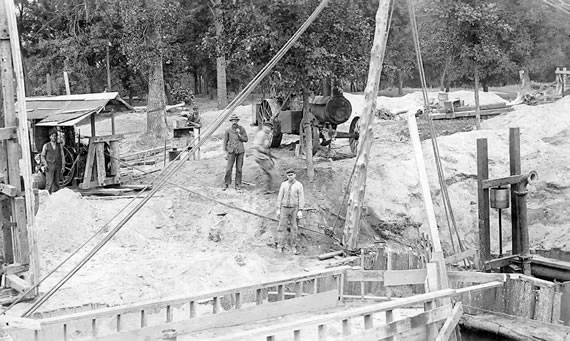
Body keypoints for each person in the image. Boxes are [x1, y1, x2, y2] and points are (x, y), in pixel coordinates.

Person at [276, 168, 305, 253]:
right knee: (281, 227)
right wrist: (278, 208)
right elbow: (280, 197)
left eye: (292, 175)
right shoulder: (283, 184)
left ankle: (293, 246)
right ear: (287, 176)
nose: (290, 177)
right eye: (288, 175)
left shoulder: (299, 185)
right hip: (284, 208)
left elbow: (301, 198)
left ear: (295, 175)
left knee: (294, 228)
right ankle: (280, 246)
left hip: (294, 209)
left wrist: (300, 210)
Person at [222, 113, 248, 191]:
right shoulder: (228, 130)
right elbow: (225, 142)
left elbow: (246, 139)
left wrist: (239, 135)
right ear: (231, 121)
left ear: (237, 121)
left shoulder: (242, 129)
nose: (234, 122)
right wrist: (225, 152)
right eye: (233, 120)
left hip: (240, 151)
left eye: (236, 120)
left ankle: (238, 184)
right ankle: (226, 183)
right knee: (228, 169)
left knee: (239, 169)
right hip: (231, 151)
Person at [253, 121, 277, 194]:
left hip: (264, 156)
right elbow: (256, 146)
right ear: (264, 127)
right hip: (260, 156)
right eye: (267, 127)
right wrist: (265, 152)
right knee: (270, 171)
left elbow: (267, 146)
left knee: (267, 172)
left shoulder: (268, 135)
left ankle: (267, 188)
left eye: (270, 128)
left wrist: (270, 156)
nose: (268, 129)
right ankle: (268, 188)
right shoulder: (261, 134)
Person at [41, 128, 65, 194]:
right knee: (49, 183)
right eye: (52, 136)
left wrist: (63, 166)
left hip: (58, 166)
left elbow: (62, 156)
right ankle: (47, 196)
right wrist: (45, 164)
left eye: (55, 136)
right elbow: (42, 156)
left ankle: (55, 197)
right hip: (49, 166)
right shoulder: (46, 146)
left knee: (57, 183)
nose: (54, 137)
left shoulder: (59, 146)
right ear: (50, 137)